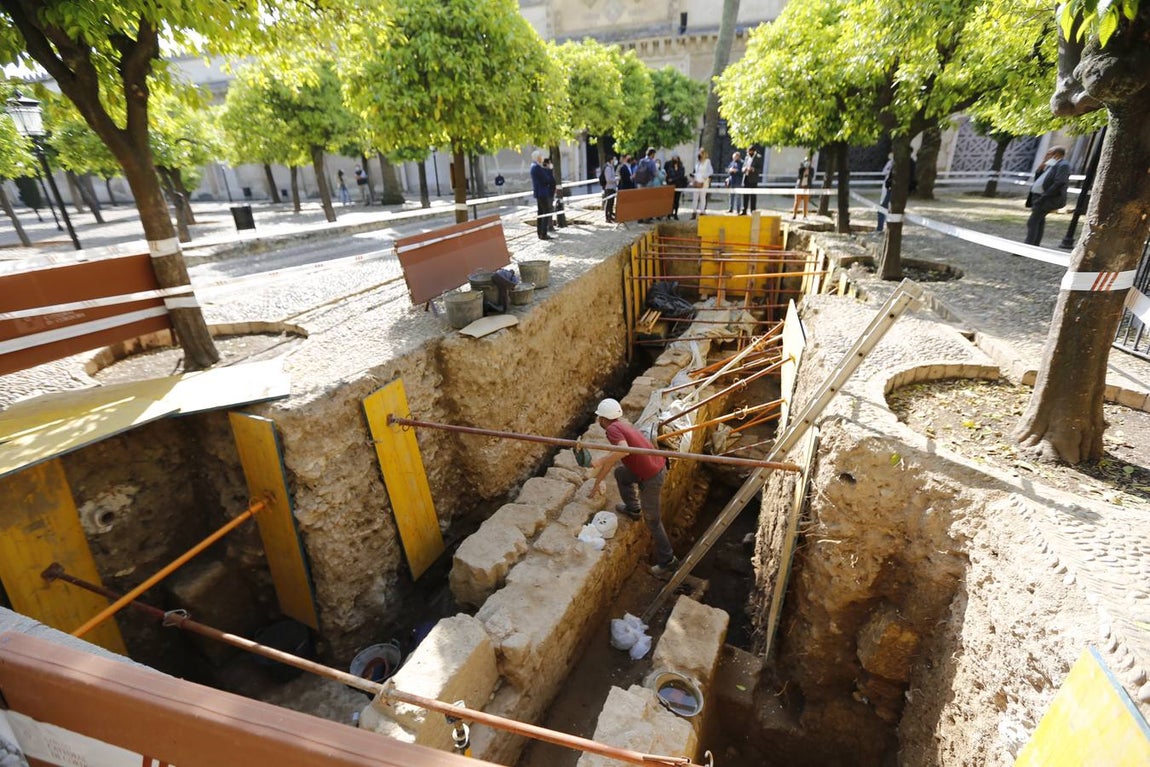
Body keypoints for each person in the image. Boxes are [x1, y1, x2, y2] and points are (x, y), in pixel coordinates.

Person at [588, 398, 678, 577]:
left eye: (599, 417)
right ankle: (633, 509)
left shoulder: (612, 430)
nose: (598, 420)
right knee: (621, 474)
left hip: (652, 477)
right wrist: (596, 484)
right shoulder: (621, 426)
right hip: (652, 468)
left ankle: (668, 561)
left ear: (603, 419)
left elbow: (623, 450)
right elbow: (614, 458)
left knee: (653, 520)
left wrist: (600, 460)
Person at [1025, 146, 1070, 246]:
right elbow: (1041, 179)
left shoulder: (1063, 165)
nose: (1046, 155)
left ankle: (1027, 246)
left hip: (1046, 198)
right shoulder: (1052, 164)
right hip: (1038, 196)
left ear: (1056, 154)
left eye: (1049, 153)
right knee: (1039, 221)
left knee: (1032, 222)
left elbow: (1059, 182)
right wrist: (1040, 169)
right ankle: (1034, 245)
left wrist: (1044, 196)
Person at [529, 150, 553, 241]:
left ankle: (540, 232)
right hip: (542, 192)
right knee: (545, 212)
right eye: (540, 156)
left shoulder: (533, 166)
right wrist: (549, 170)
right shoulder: (537, 167)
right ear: (537, 157)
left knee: (540, 213)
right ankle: (543, 233)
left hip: (539, 192)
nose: (542, 157)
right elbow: (546, 179)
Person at [740, 146, 763, 215]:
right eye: (748, 151)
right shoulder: (746, 158)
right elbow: (743, 166)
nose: (748, 153)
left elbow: (760, 169)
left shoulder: (758, 157)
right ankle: (744, 210)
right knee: (745, 195)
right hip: (746, 178)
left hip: (753, 179)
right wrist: (744, 169)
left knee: (753, 195)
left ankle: (753, 210)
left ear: (753, 151)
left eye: (749, 151)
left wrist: (753, 169)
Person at [691, 148, 713, 219]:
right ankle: (694, 212)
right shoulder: (697, 162)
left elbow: (710, 171)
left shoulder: (707, 161)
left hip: (704, 182)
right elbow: (696, 171)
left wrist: (704, 177)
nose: (700, 154)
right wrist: (694, 177)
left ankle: (702, 212)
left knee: (702, 197)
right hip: (697, 181)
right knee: (695, 197)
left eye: (701, 153)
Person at [875, 153, 894, 232]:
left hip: (892, 189)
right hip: (889, 188)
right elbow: (884, 171)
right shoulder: (891, 162)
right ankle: (882, 228)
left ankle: (880, 228)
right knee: (884, 208)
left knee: (883, 209)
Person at [665, 154, 687, 219]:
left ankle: (676, 214)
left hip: (678, 185)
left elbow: (681, 176)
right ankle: (669, 213)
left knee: (676, 200)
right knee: (671, 201)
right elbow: (668, 175)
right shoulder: (670, 168)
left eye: (676, 159)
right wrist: (669, 180)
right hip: (671, 186)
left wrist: (673, 179)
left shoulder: (681, 168)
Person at [542, 158, 558, 233]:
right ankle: (549, 226)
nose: (551, 164)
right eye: (550, 163)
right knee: (549, 210)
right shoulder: (546, 171)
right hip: (548, 193)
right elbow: (550, 181)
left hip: (550, 192)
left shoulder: (547, 171)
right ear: (546, 164)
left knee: (549, 209)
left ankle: (549, 226)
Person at [602, 156, 618, 223]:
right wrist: (616, 179)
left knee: (611, 203)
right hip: (609, 187)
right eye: (614, 159)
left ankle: (610, 216)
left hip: (612, 187)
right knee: (608, 203)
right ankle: (607, 217)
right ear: (611, 160)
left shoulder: (611, 167)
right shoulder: (608, 168)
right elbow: (608, 179)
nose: (615, 161)